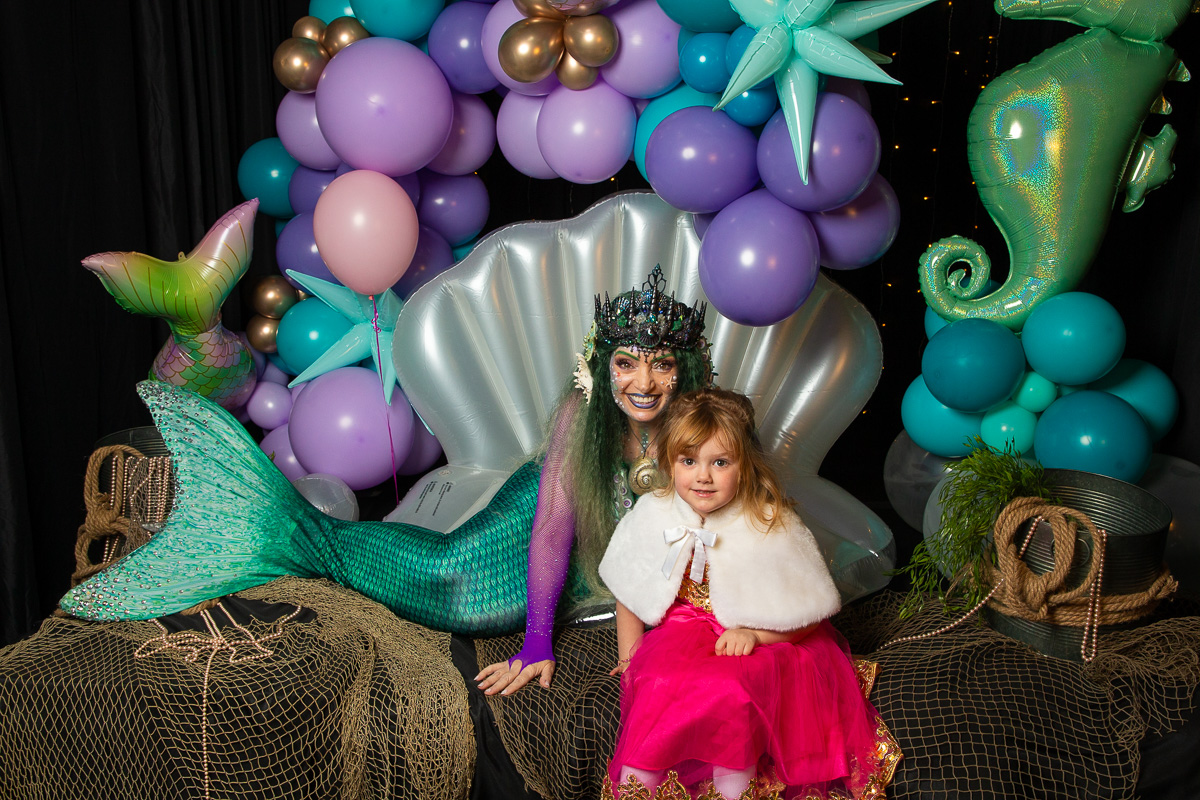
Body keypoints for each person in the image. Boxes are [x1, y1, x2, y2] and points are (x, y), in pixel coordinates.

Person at [59, 267, 714, 690]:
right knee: (453, 584)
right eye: (626, 363)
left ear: (683, 369)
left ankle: (296, 533)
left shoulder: (703, 424)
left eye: (661, 364)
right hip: (525, 527)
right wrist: (537, 643)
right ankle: (286, 529)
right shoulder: (582, 413)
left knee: (447, 581)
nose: (644, 382)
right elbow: (551, 530)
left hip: (590, 568)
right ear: (602, 365)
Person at [597, 389, 899, 800]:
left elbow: (809, 612)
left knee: (732, 688)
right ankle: (637, 788)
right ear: (669, 461)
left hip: (758, 639)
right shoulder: (654, 512)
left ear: (746, 465)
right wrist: (629, 658)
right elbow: (628, 590)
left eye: (720, 463)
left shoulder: (769, 520)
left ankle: (736, 790)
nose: (703, 476)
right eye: (689, 461)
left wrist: (757, 635)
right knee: (657, 679)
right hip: (682, 632)